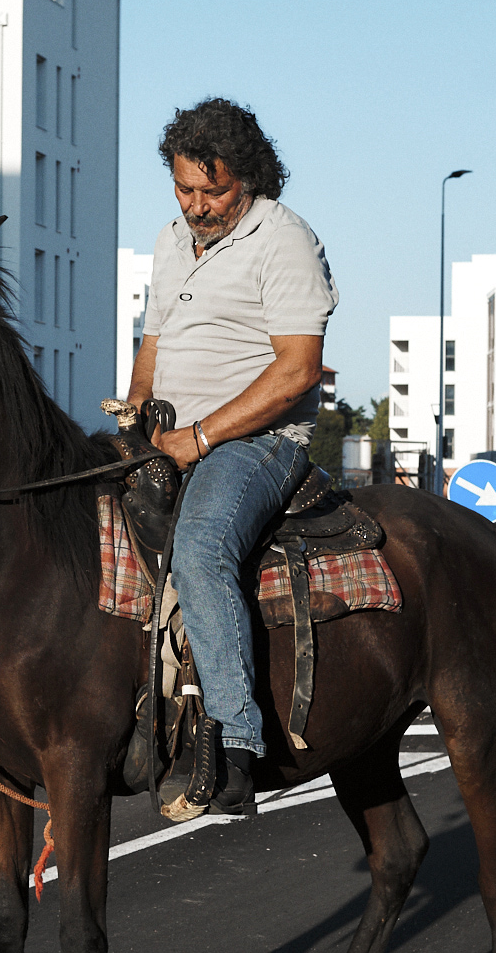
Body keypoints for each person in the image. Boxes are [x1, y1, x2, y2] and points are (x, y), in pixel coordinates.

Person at [126, 98, 339, 818]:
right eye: (184, 188)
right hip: (170, 434)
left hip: (258, 443)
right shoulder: (170, 239)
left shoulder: (284, 239)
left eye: (212, 191)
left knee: (202, 546)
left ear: (248, 179)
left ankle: (238, 745)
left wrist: (202, 437)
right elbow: (152, 345)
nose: (197, 205)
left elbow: (298, 371)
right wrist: (135, 422)